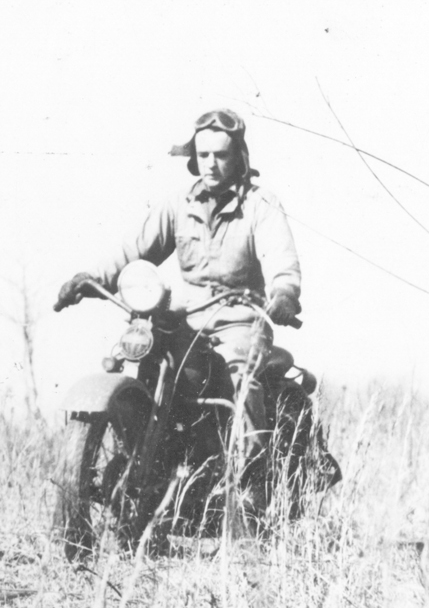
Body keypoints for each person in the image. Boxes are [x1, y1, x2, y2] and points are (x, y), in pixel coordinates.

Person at [53, 108, 301, 457]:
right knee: (147, 359)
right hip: (185, 317)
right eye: (203, 155)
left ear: (239, 157)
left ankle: (250, 483)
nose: (211, 164)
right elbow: (134, 249)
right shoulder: (179, 204)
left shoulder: (260, 204)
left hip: (239, 321)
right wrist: (91, 277)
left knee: (241, 380)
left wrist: (284, 292)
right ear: (193, 158)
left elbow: (280, 258)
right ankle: (142, 457)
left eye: (221, 155)